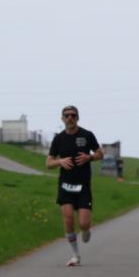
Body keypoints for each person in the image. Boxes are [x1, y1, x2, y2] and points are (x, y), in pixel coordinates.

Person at [45, 105, 103, 267]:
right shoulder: (59, 138)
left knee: (83, 223)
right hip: (65, 185)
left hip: (83, 185)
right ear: (62, 119)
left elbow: (100, 153)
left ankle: (85, 230)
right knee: (68, 219)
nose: (70, 118)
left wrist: (89, 157)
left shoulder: (87, 135)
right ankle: (75, 255)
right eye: (67, 115)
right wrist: (60, 161)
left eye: (73, 115)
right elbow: (48, 163)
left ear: (77, 118)